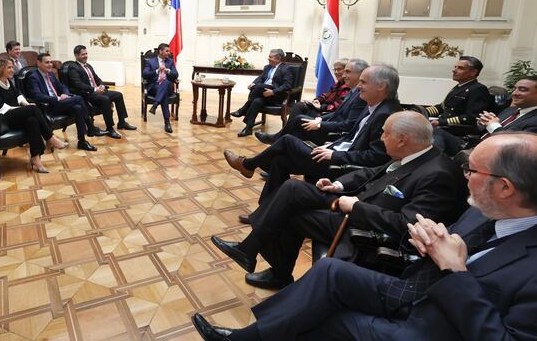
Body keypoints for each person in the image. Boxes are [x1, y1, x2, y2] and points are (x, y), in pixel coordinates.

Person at [191, 132, 537, 341]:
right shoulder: (482, 210)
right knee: (328, 272)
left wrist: (455, 272)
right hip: (417, 286)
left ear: (505, 187)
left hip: (435, 326)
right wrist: (431, 246)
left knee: (320, 317)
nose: (464, 175)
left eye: (472, 170)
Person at [211, 111, 466, 290]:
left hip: (366, 225)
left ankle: (271, 268)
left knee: (291, 213)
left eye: (385, 134)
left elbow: (407, 226)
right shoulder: (414, 155)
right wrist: (339, 184)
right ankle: (249, 250)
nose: (381, 138)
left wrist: (355, 206)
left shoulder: (438, 174)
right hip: (356, 200)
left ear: (403, 139)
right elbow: (371, 174)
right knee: (292, 188)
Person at [225, 64, 402, 208]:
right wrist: (331, 146)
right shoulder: (374, 106)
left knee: (287, 141)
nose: (359, 87)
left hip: (342, 166)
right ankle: (264, 210)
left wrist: (335, 153)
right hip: (334, 152)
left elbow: (376, 158)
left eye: (364, 82)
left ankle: (248, 164)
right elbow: (351, 135)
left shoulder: (386, 114)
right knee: (280, 161)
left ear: (381, 86)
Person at [255, 58, 368, 145]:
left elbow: (338, 110)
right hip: (325, 114)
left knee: (298, 119)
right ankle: (279, 139)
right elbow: (326, 95)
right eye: (336, 69)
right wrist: (317, 100)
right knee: (299, 108)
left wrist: (320, 114)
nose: (340, 73)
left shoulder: (354, 91)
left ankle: (278, 138)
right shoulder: (343, 86)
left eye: (343, 71)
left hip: (328, 118)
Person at [0, 58, 68, 173]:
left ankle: (36, 158)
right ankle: (50, 137)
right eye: (9, 67)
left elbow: (18, 95)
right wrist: (24, 109)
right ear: (0, 69)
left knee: (32, 121)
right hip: (2, 117)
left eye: (12, 67)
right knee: (32, 109)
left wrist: (26, 105)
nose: (12, 70)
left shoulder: (8, 81)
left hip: (14, 115)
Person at [437, 76, 537, 155]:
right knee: (432, 131)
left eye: (522, 90)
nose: (514, 93)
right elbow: (487, 130)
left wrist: (493, 126)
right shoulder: (511, 110)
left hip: (495, 156)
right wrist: (483, 124)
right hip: (474, 145)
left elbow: (515, 147)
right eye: (514, 89)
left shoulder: (534, 120)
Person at [25, 53, 97, 151]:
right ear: (38, 63)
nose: (50, 64)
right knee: (79, 98)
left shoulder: (50, 74)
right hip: (48, 106)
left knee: (78, 108)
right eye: (47, 62)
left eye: (51, 62)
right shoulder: (33, 77)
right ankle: (90, 127)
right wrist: (57, 99)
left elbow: (62, 86)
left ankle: (82, 141)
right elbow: (37, 96)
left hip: (60, 104)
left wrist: (65, 94)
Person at [66, 45, 136, 139]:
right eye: (83, 54)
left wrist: (102, 85)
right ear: (76, 55)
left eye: (86, 53)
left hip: (97, 91)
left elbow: (97, 79)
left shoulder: (88, 66)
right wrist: (94, 89)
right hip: (88, 94)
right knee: (105, 99)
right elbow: (77, 84)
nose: (86, 56)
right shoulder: (73, 68)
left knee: (118, 95)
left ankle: (122, 122)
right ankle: (110, 128)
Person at [230, 49, 294, 137]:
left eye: (270, 57)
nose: (268, 58)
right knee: (257, 101)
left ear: (277, 59)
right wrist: (253, 83)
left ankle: (243, 109)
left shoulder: (286, 69)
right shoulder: (267, 67)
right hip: (263, 93)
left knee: (259, 86)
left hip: (275, 95)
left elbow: (287, 85)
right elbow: (260, 78)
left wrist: (273, 92)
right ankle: (248, 128)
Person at [426, 56, 489, 129]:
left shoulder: (478, 89)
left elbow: (471, 117)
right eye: (455, 67)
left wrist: (441, 122)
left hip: (456, 129)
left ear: (473, 72)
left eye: (460, 68)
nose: (454, 70)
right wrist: (421, 111)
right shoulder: (460, 87)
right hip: (444, 124)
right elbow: (442, 107)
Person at [142, 43, 179, 133]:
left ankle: (155, 105)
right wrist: (157, 70)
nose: (169, 53)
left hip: (168, 86)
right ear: (160, 51)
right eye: (167, 51)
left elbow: (176, 75)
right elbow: (145, 74)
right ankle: (167, 123)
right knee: (164, 94)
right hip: (155, 86)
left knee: (166, 83)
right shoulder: (150, 61)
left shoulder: (170, 61)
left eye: (169, 51)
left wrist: (168, 71)